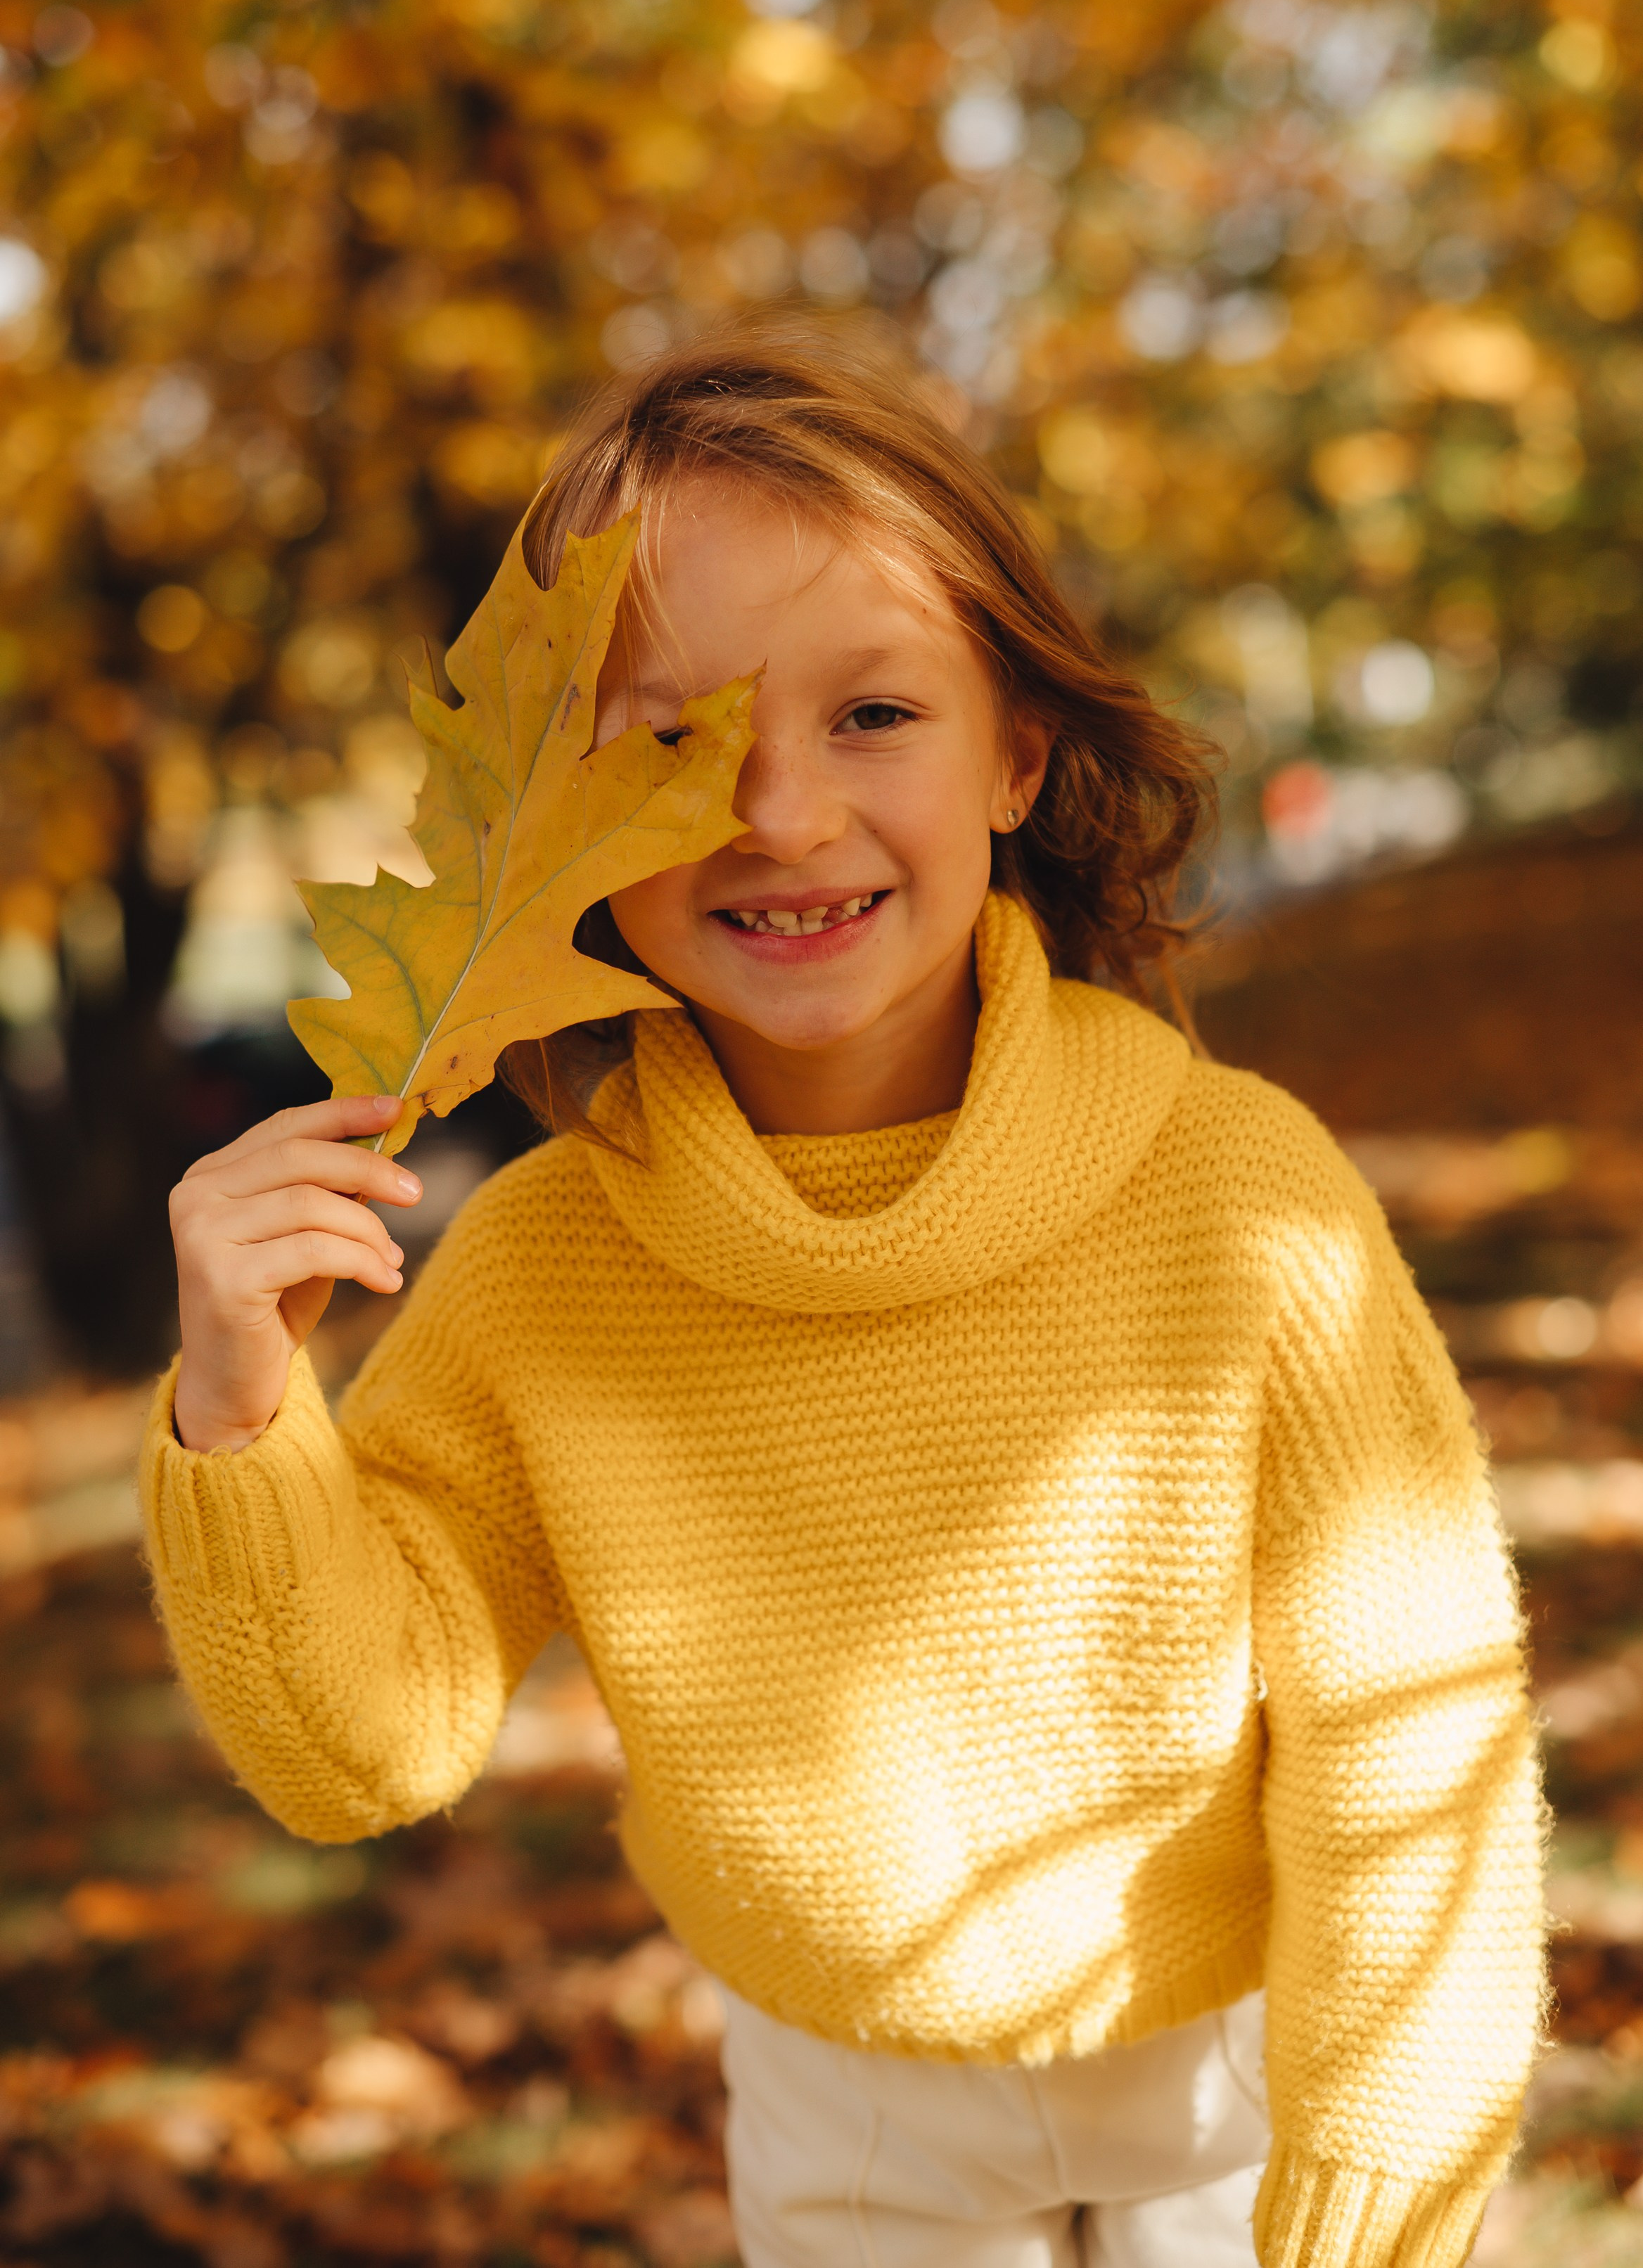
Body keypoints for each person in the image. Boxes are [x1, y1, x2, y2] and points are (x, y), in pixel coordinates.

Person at [146, 326, 1542, 2268]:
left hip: (1239, 2064)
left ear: (1017, 752)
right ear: (556, 818)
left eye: (872, 712)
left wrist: (1394, 2134)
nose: (777, 813)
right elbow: (355, 1746)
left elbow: (1410, 1715)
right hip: (848, 2104)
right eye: (668, 742)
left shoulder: (1243, 1210)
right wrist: (241, 1412)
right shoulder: (548, 1274)